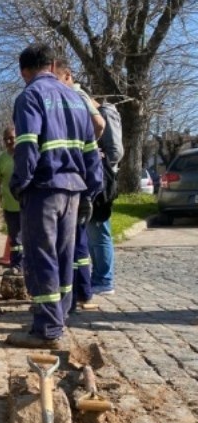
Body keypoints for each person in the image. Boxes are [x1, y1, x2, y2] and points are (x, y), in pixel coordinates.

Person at [6, 43, 103, 348]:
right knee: (64, 258)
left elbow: (27, 146)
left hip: (44, 189)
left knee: (41, 257)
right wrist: (91, 190)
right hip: (74, 190)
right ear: (52, 65)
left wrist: (20, 183)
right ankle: (57, 319)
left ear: (25, 71)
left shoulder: (30, 96)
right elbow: (91, 151)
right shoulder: (76, 99)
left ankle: (46, 330)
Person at [53, 58, 103, 311]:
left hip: (78, 180)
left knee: (71, 243)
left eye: (56, 78)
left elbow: (99, 125)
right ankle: (81, 294)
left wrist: (84, 148)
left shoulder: (75, 95)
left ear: (67, 76)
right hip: (81, 180)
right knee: (77, 243)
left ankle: (73, 298)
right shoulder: (73, 96)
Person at [89, 99, 124, 295]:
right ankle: (98, 276)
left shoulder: (104, 112)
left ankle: (104, 279)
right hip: (94, 177)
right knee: (92, 232)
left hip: (102, 179)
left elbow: (116, 150)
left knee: (99, 230)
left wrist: (104, 164)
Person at [0, 126, 22, 272]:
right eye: (6, 139)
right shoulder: (1, 159)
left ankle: (29, 267)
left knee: (30, 238)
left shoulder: (27, 154)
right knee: (15, 238)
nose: (9, 141)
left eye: (12, 137)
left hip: (29, 206)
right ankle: (16, 266)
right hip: (10, 206)